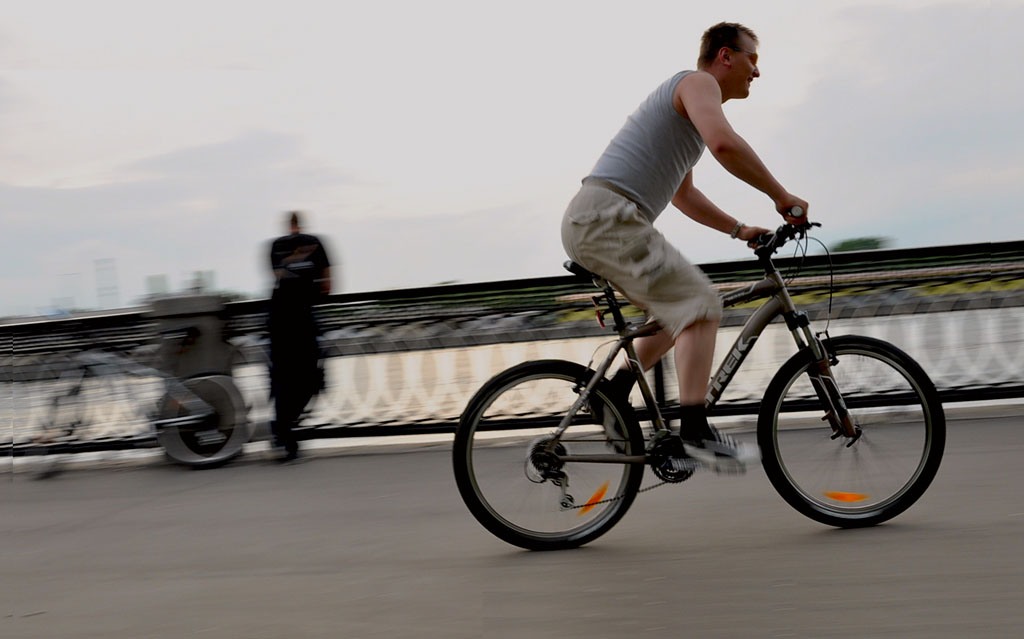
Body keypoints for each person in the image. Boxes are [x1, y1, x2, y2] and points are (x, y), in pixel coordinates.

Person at [561, 22, 809, 472]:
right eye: (753, 59)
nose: (757, 72)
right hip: (607, 217)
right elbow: (724, 143)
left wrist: (740, 229)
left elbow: (683, 195)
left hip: (601, 218)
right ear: (725, 56)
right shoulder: (697, 84)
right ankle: (694, 428)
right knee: (701, 304)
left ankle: (613, 394)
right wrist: (780, 196)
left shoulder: (689, 116)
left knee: (682, 312)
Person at [268, 211, 332, 462]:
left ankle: (283, 431)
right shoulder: (314, 244)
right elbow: (327, 284)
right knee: (306, 376)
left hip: (281, 317)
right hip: (298, 319)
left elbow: (279, 277)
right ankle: (285, 430)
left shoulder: (277, 247)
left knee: (285, 379)